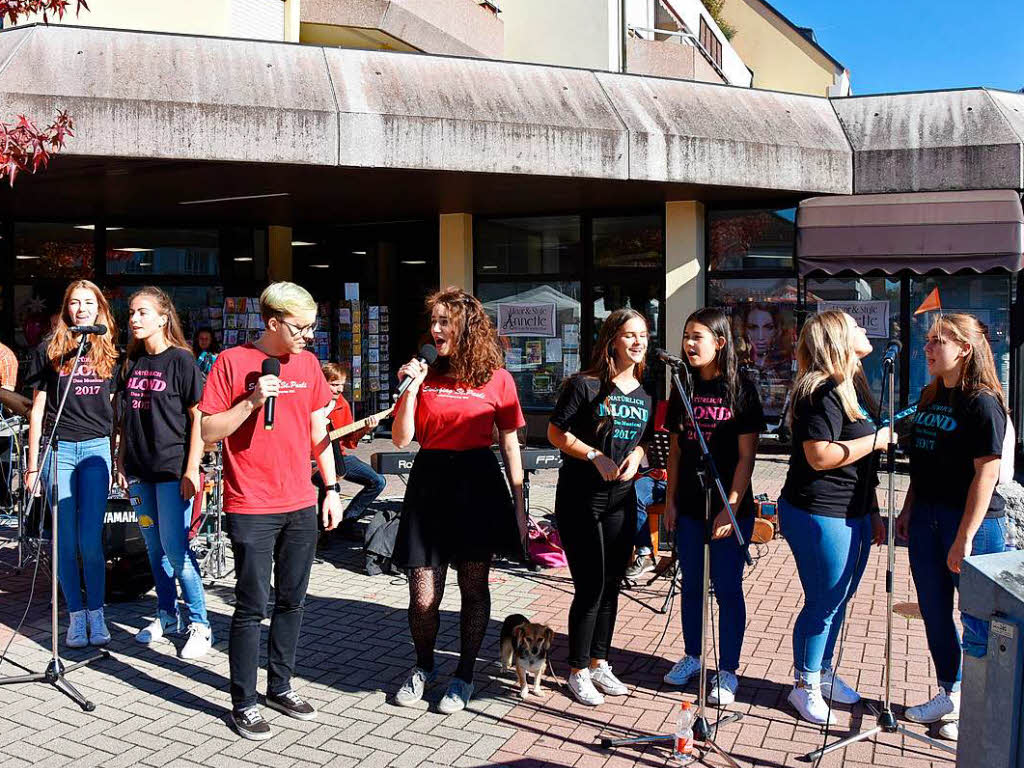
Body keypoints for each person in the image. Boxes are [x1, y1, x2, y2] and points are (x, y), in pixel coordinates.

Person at [199, 282, 343, 741]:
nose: (309, 336)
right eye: (301, 327)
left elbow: (318, 427)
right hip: (252, 505)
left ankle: (280, 685)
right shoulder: (232, 362)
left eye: (313, 327)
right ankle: (243, 701)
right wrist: (252, 401)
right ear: (273, 322)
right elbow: (208, 430)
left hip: (300, 500)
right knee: (250, 606)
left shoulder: (308, 365)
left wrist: (332, 487)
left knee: (292, 601)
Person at [391, 288, 525, 715]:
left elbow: (509, 442)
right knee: (423, 596)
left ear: (467, 326)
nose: (435, 329)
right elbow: (400, 438)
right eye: (433, 321)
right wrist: (410, 388)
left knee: (473, 587)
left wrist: (520, 504)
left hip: (477, 484)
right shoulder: (423, 372)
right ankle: (424, 665)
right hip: (429, 481)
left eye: (445, 321)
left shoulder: (497, 378)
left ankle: (464, 674)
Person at [896, 313, 1010, 742]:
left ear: (965, 348)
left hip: (972, 525)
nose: (927, 348)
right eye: (927, 340)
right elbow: (921, 463)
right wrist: (909, 506)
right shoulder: (928, 395)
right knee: (934, 611)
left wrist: (963, 537)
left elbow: (986, 475)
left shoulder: (982, 402)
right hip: (926, 517)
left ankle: (977, 707)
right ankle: (951, 690)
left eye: (937, 341)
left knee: (976, 618)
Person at [778, 310, 889, 725]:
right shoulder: (819, 390)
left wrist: (874, 509)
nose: (865, 328)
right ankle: (803, 685)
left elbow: (862, 463)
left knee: (838, 598)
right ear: (839, 339)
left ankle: (822, 672)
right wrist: (878, 440)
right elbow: (819, 454)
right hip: (819, 511)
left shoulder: (852, 385)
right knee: (824, 601)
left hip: (854, 509)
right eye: (857, 326)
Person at [548, 308, 653, 707]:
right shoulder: (585, 385)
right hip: (580, 499)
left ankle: (599, 662)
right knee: (590, 586)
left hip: (621, 501)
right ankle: (576, 670)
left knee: (612, 585)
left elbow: (644, 439)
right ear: (612, 339)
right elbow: (557, 432)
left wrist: (638, 452)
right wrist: (594, 455)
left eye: (643, 334)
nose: (638, 342)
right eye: (630, 335)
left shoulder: (644, 392)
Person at [661, 308, 765, 706]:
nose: (689, 343)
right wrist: (669, 500)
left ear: (719, 342)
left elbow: (746, 458)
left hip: (728, 508)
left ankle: (728, 670)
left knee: (727, 588)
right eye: (686, 335)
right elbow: (674, 448)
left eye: (697, 336)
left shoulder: (741, 389)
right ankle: (692, 656)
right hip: (688, 505)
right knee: (691, 586)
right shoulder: (682, 386)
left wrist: (731, 507)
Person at [115, 287, 211, 659]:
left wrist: (191, 469)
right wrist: (120, 459)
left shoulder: (182, 361)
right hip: (140, 472)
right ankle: (166, 615)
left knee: (176, 549)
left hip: (172, 472)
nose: (134, 319)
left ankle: (200, 623)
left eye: (142, 312)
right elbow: (126, 419)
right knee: (154, 551)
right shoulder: (132, 363)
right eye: (132, 313)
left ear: (162, 317)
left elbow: (199, 418)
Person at [24, 280, 119, 648]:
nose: (81, 308)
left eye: (88, 302)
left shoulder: (110, 351)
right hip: (60, 451)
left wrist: (119, 457)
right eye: (75, 303)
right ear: (66, 309)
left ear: (99, 309)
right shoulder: (50, 349)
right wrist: (33, 466)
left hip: (95, 452)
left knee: (89, 541)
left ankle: (97, 613)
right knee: (63, 541)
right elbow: (36, 411)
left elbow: (116, 413)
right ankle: (75, 616)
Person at [321, 362, 386, 540]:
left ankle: (347, 522)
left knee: (378, 481)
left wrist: (365, 429)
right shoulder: (310, 403)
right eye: (334, 385)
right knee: (330, 483)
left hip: (338, 456)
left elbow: (349, 442)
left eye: (342, 385)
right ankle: (324, 531)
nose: (340, 389)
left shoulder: (343, 405)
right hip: (312, 459)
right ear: (322, 382)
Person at [0, 340, 18, 512]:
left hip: (2, 416)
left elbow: (7, 395)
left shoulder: (5, 356)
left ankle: (4, 501)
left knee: (3, 461)